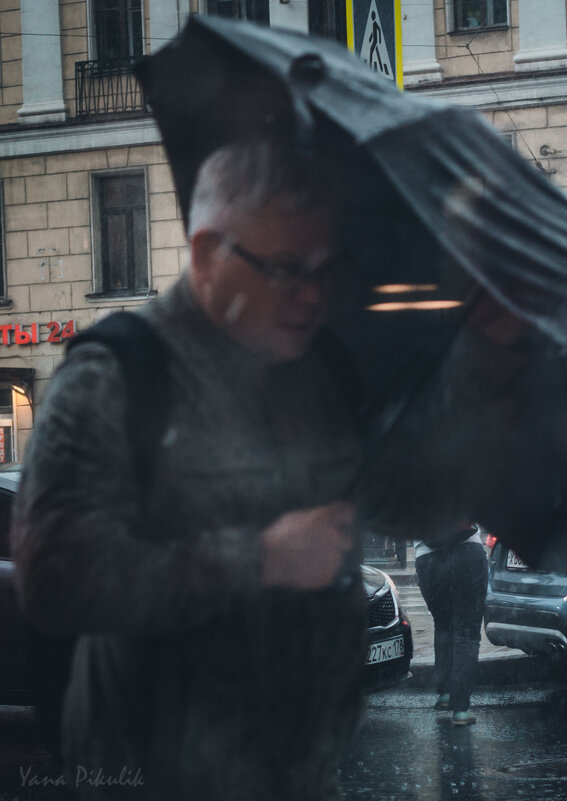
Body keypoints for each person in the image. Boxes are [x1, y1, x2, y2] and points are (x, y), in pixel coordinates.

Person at [12, 140, 367, 800]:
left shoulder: (314, 378)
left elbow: (407, 504)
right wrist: (261, 557)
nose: (315, 295)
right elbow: (55, 577)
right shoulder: (115, 375)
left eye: (326, 268)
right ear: (207, 255)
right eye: (287, 268)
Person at [414, 525, 488, 727]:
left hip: (427, 560)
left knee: (442, 625)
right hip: (467, 553)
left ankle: (445, 694)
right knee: (467, 632)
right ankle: (461, 709)